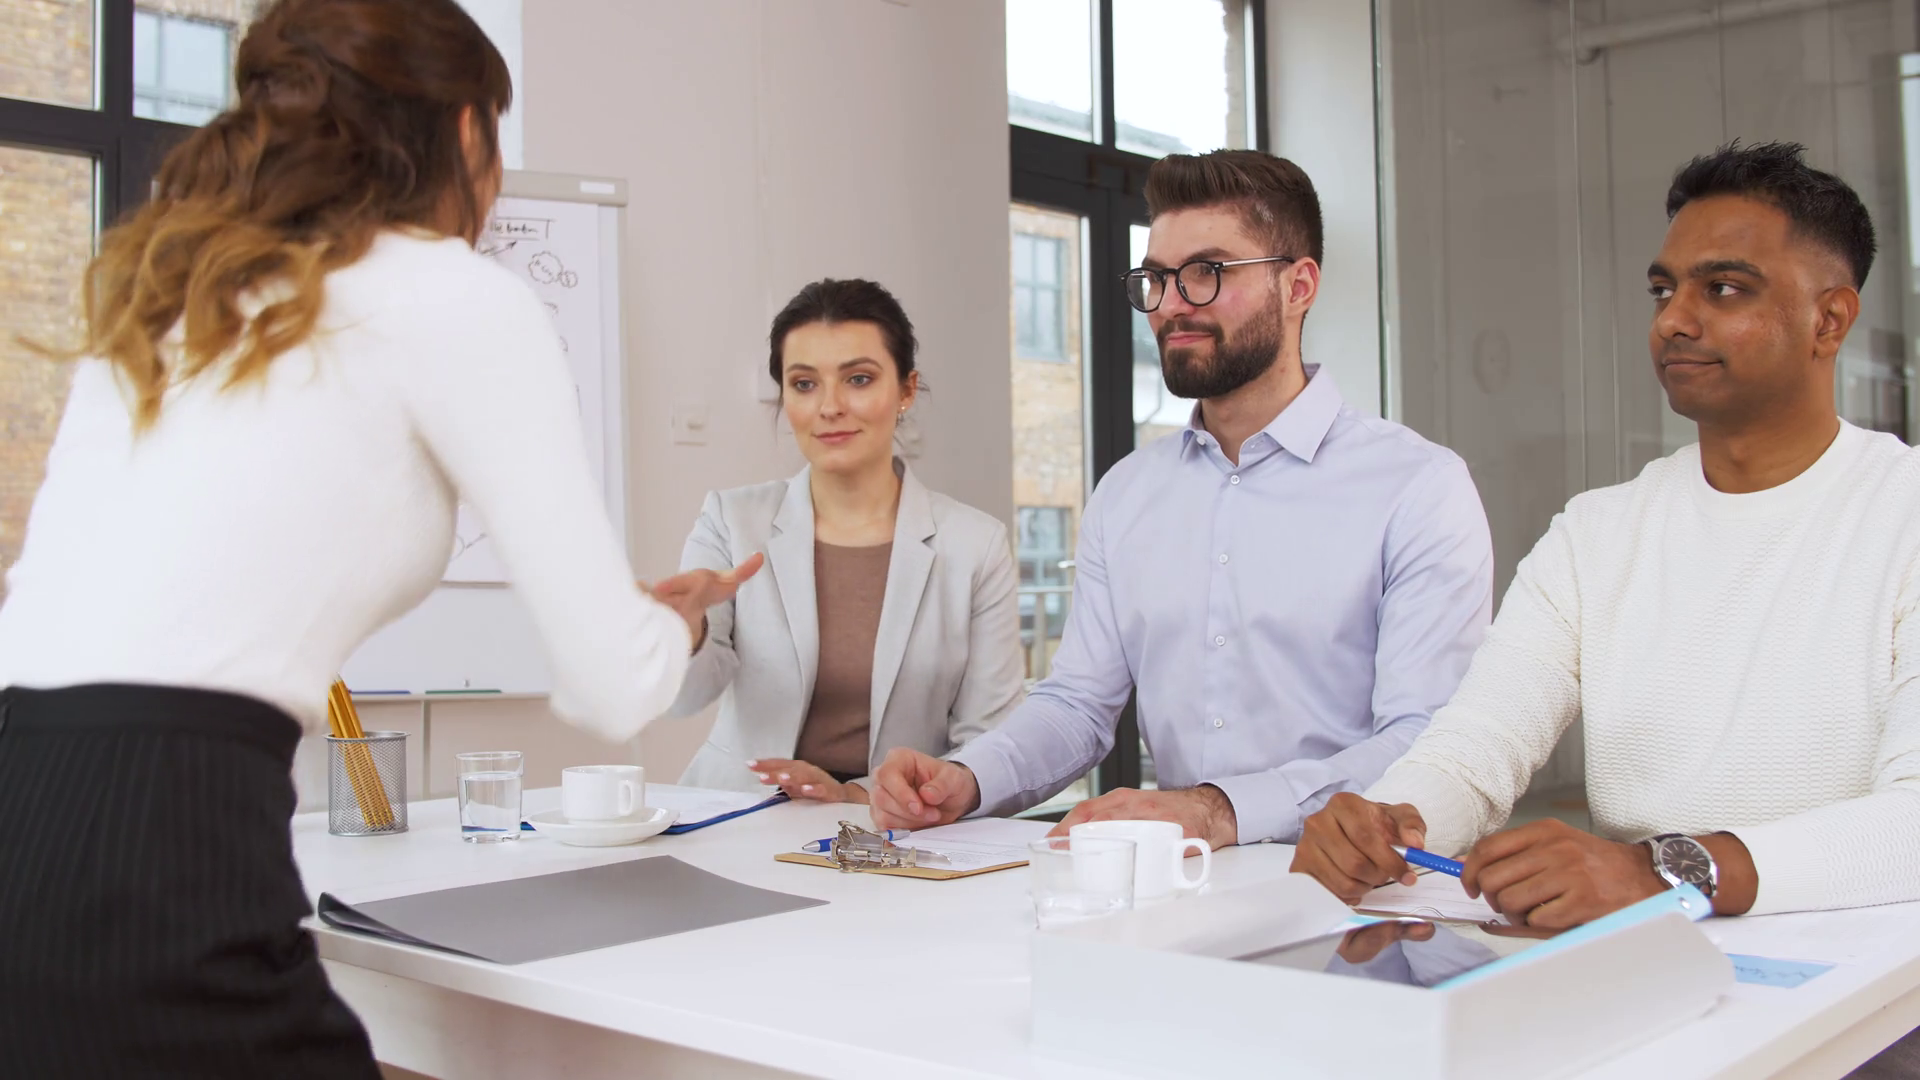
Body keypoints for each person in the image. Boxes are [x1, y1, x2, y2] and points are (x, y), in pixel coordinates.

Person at [0, 1, 753, 1074]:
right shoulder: (452, 295)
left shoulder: (177, 302)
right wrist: (668, 627)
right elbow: (609, 688)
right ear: (461, 134)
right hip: (170, 856)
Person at [1291, 141, 1920, 928]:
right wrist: (1384, 820)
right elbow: (1477, 747)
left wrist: (1664, 869)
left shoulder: (1904, 513)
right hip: (1644, 962)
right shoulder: (1597, 532)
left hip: (1872, 998)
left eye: (1723, 289)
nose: (1674, 321)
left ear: (1829, 320)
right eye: (1664, 290)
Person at [868, 150, 1494, 846]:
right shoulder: (1129, 493)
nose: (1169, 306)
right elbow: (1079, 704)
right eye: (1157, 279)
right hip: (1184, 890)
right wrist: (968, 779)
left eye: (1206, 274)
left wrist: (1221, 809)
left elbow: (1426, 741)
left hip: (1361, 905)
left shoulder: (1417, 488)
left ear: (1299, 285)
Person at [668, 279, 1025, 803]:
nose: (830, 407)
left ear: (906, 390)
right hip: (738, 816)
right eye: (805, 384)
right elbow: (683, 699)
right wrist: (685, 630)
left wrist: (856, 797)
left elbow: (990, 743)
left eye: (858, 379)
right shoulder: (731, 519)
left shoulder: (975, 546)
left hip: (895, 830)